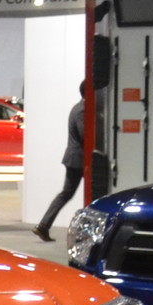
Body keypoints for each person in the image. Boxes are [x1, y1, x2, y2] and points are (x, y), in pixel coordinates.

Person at [35, 80, 94, 241]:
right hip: (79, 159)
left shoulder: (78, 108)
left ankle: (44, 225)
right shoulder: (82, 110)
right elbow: (85, 135)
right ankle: (88, 233)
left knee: (66, 194)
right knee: (91, 195)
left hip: (75, 159)